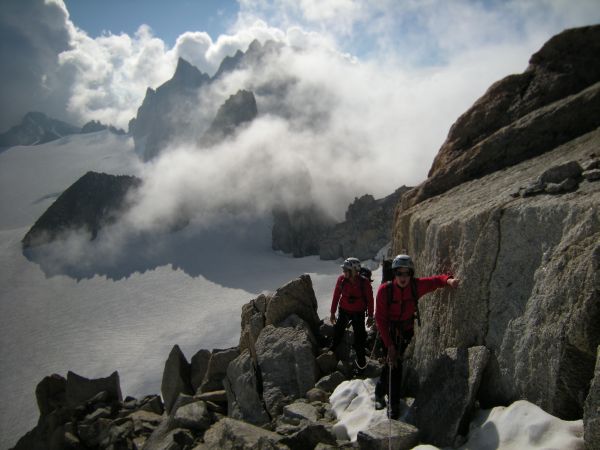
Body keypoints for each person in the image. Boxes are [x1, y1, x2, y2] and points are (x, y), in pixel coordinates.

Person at [374, 254, 459, 418]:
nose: (403, 277)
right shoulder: (385, 290)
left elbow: (434, 281)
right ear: (394, 274)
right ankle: (393, 405)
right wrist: (390, 345)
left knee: (392, 364)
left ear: (411, 274)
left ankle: (379, 392)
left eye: (406, 273)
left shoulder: (415, 286)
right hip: (388, 332)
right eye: (399, 273)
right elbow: (380, 319)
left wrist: (448, 280)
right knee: (395, 366)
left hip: (405, 332)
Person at [330, 257, 374, 373]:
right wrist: (332, 312)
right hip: (345, 310)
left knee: (359, 338)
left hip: (358, 313)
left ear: (354, 271)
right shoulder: (341, 280)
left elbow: (370, 300)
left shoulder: (364, 283)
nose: (344, 272)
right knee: (338, 331)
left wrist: (370, 316)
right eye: (344, 269)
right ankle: (332, 351)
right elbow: (336, 296)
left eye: (346, 269)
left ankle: (361, 363)